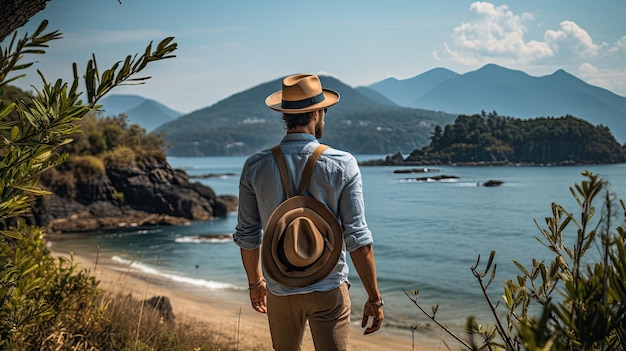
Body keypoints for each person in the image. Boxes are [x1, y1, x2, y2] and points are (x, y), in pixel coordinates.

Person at [233, 73, 384, 351]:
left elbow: (248, 235)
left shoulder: (255, 166)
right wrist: (374, 298)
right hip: (329, 287)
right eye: (324, 110)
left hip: (280, 288)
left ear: (285, 115)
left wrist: (256, 283)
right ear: (316, 113)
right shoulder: (343, 164)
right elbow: (357, 237)